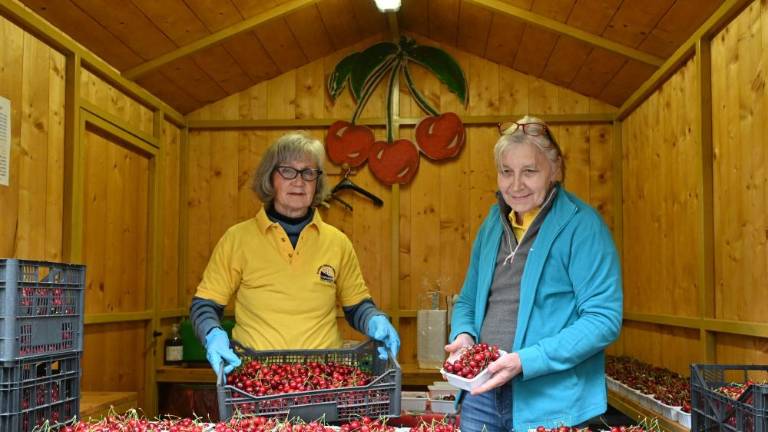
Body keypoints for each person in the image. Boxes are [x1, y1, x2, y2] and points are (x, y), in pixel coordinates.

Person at [444, 116, 623, 431]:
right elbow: (469, 299)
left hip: (553, 401)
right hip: (482, 395)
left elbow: (603, 319)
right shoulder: (492, 225)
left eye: (529, 171)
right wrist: (463, 335)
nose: (516, 185)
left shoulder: (583, 226)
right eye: (506, 172)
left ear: (554, 170)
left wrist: (526, 360)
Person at [189, 131, 400, 380]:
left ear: (317, 183)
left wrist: (375, 319)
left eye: (308, 173)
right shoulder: (236, 239)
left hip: (324, 380)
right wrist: (213, 333)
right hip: (254, 380)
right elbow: (205, 305)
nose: (299, 181)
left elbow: (357, 308)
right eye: (288, 171)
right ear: (270, 178)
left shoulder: (337, 242)